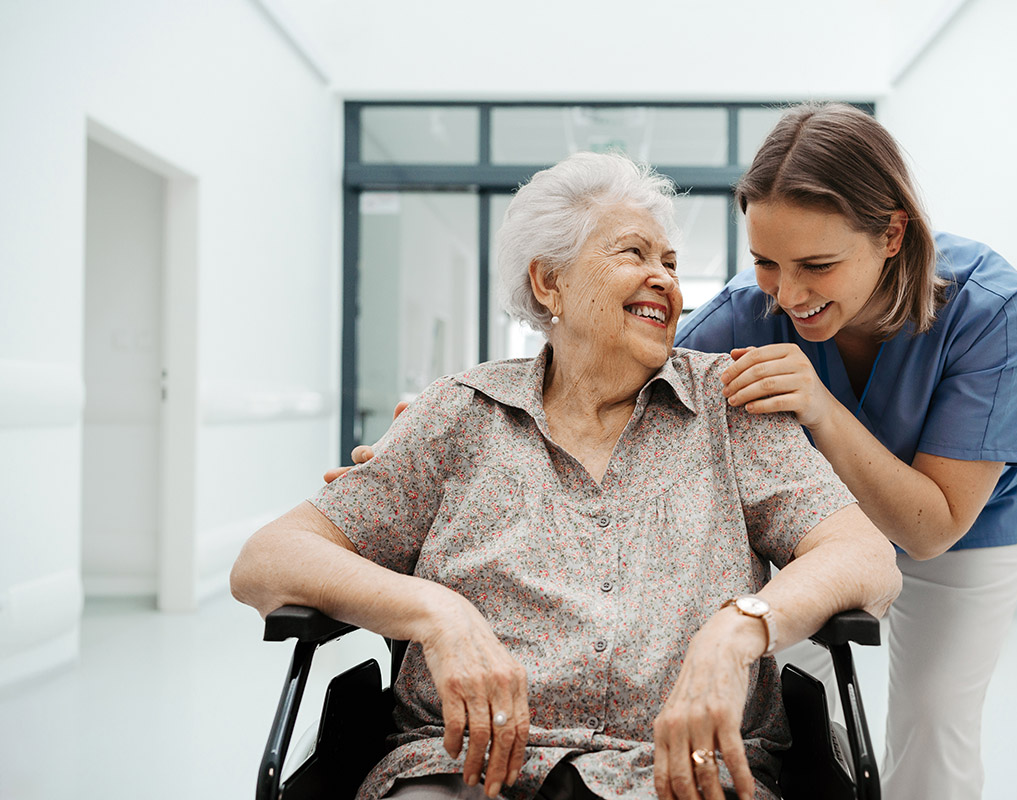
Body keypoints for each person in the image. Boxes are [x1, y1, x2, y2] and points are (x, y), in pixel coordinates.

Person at [234, 151, 902, 800]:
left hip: (686, 773)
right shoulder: (459, 414)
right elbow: (269, 558)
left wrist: (739, 630)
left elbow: (865, 554)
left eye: (670, 263)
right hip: (463, 767)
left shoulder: (731, 409)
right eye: (633, 254)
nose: (665, 279)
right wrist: (438, 614)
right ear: (548, 283)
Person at [674, 103, 1017, 800]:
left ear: (891, 233)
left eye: (817, 264)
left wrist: (821, 404)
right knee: (791, 701)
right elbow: (617, 384)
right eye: (765, 263)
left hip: (964, 533)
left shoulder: (993, 310)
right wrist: (479, 401)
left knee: (936, 717)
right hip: (819, 532)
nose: (788, 295)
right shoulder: (744, 313)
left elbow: (930, 529)